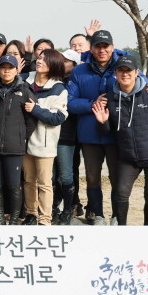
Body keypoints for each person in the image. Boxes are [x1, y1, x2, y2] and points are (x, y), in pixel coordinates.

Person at [67, 30, 148, 225]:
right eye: (98, 46)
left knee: (117, 179)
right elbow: (70, 102)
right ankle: (98, 215)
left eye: (106, 46)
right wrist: (92, 104)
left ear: (112, 47)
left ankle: (115, 216)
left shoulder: (123, 66)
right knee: (93, 178)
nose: (102, 50)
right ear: (91, 48)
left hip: (117, 135)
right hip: (89, 134)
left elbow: (145, 85)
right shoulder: (80, 71)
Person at [92, 55, 148, 225]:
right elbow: (107, 132)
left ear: (136, 72)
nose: (125, 74)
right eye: (121, 70)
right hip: (127, 157)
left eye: (129, 70)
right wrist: (103, 122)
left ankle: (147, 228)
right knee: (120, 193)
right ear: (115, 73)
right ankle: (122, 228)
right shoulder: (110, 98)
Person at [0, 55, 37, 225]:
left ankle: (13, 220)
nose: (6, 71)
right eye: (3, 67)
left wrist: (20, 137)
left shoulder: (24, 90)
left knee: (14, 185)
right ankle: (0, 219)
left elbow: (31, 120)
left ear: (16, 70)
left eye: (10, 67)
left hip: (14, 148)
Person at [22, 49, 68, 225]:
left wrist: (35, 109)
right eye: (39, 58)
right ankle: (31, 214)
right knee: (28, 181)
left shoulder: (58, 88)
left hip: (44, 144)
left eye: (45, 60)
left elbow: (58, 118)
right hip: (25, 141)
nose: (39, 61)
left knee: (44, 183)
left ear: (53, 66)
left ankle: (45, 219)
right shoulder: (25, 80)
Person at [52, 49, 82, 225]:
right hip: (50, 133)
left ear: (75, 64)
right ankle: (54, 208)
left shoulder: (75, 83)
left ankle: (68, 209)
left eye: (67, 61)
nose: (62, 63)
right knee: (52, 175)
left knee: (66, 174)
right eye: (61, 60)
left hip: (67, 135)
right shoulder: (53, 79)